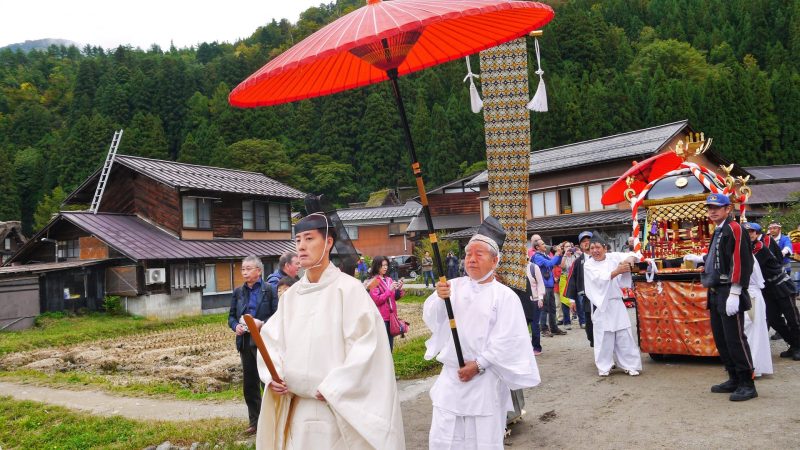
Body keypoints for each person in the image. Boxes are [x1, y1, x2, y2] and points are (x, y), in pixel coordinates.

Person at [255, 213, 405, 449]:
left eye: (309, 239)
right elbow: (272, 340)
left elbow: (368, 347)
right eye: (298, 241)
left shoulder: (349, 290)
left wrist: (336, 386)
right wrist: (273, 375)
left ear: (328, 243)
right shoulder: (292, 296)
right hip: (297, 408)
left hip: (336, 408)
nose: (301, 247)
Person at [424, 217, 540, 449]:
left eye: (479, 254)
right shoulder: (452, 286)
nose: (471, 259)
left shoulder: (504, 296)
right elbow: (433, 319)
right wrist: (439, 298)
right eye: (468, 254)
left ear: (495, 260)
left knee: (482, 441)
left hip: (484, 381)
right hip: (452, 378)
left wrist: (478, 364)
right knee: (444, 438)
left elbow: (508, 341)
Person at [685, 193, 756, 401]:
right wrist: (701, 259)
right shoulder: (719, 230)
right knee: (722, 339)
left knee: (735, 339)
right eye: (710, 208)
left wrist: (735, 291)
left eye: (718, 207)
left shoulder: (735, 229)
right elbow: (719, 256)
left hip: (728, 290)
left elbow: (742, 261)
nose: (713, 211)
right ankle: (733, 377)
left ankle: (747, 382)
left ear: (728, 209)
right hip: (716, 290)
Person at [227, 255, 278, 435]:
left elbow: (277, 315)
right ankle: (255, 422)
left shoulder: (270, 290)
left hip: (264, 340)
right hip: (245, 342)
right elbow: (231, 317)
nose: (245, 272)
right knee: (250, 383)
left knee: (267, 381)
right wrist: (236, 326)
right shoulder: (238, 292)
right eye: (243, 269)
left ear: (259, 271)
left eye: (249, 268)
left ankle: (271, 421)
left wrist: (261, 323)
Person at [582, 235, 642, 377]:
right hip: (601, 304)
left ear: (605, 248)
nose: (595, 251)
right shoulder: (588, 265)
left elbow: (635, 255)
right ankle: (604, 366)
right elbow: (599, 280)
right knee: (604, 337)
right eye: (592, 248)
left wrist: (630, 260)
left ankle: (630, 365)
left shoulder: (613, 256)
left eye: (598, 247)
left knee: (624, 335)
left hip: (616, 302)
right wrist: (617, 271)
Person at [745, 223, 800, 360]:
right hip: (768, 288)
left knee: (792, 318)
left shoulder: (759, 247)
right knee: (774, 319)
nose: (750, 234)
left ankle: (798, 346)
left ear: (758, 234)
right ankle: (793, 344)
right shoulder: (748, 247)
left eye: (752, 232)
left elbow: (749, 267)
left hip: (780, 285)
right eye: (747, 232)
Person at [740, 223, 773, 377]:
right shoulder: (747, 251)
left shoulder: (747, 253)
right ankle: (755, 367)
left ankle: (753, 368)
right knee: (753, 332)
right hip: (752, 293)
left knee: (750, 333)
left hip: (751, 294)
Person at [369, 256, 405, 351]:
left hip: (391, 316)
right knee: (383, 346)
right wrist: (389, 290)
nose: (385, 267)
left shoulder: (389, 279)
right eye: (382, 265)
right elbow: (376, 300)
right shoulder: (374, 281)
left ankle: (389, 364)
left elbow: (393, 298)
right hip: (381, 317)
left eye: (386, 265)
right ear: (376, 266)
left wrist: (399, 289)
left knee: (390, 345)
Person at [532, 239, 565, 336]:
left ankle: (554, 328)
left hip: (549, 284)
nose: (545, 245)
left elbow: (556, 263)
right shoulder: (537, 257)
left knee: (552, 307)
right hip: (543, 285)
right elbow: (550, 264)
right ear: (537, 247)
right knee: (544, 308)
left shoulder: (545, 255)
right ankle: (544, 329)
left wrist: (559, 254)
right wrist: (557, 254)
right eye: (542, 244)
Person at [565, 231, 592, 341]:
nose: (587, 243)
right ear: (580, 245)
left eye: (589, 240)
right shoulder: (577, 262)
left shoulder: (604, 258)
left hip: (603, 298)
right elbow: (572, 280)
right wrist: (571, 300)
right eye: (584, 242)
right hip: (587, 297)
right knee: (590, 328)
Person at [526, 257, 545, 355]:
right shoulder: (515, 269)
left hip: (534, 300)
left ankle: (536, 347)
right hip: (521, 301)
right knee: (522, 326)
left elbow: (540, 283)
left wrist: (540, 298)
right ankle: (524, 348)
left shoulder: (533, 267)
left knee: (534, 325)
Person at [559, 241, 577, 330]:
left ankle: (582, 321)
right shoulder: (562, 257)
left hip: (574, 280)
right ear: (563, 248)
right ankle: (567, 322)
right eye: (566, 246)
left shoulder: (575, 256)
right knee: (564, 301)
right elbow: (562, 266)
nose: (568, 248)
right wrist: (565, 255)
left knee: (578, 300)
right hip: (564, 279)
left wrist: (578, 252)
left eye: (569, 246)